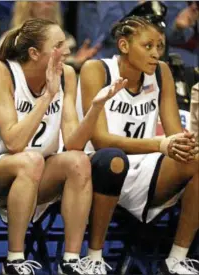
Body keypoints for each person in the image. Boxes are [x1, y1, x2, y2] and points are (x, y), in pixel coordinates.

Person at [0, 18, 126, 275]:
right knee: (30, 160)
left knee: (79, 160)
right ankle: (15, 259)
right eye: (59, 45)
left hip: (38, 170)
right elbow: (13, 142)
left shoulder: (67, 74)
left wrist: (96, 107)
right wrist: (47, 96)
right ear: (34, 53)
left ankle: (71, 261)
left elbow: (74, 142)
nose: (67, 50)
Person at [77, 15, 199, 274]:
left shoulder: (162, 73)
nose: (156, 54)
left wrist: (187, 145)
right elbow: (99, 139)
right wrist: (160, 145)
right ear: (123, 45)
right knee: (113, 158)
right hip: (97, 168)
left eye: (160, 47)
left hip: (146, 166)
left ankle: (176, 259)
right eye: (148, 46)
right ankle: (94, 258)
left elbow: (174, 134)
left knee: (196, 159)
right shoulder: (96, 70)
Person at [0, 1, 100, 72]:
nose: (49, 2)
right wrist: (72, 62)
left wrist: (75, 62)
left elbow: (63, 69)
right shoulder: (12, 38)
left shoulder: (67, 39)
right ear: (27, 4)